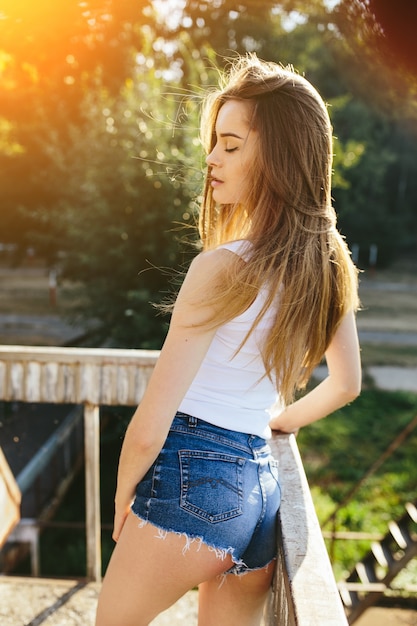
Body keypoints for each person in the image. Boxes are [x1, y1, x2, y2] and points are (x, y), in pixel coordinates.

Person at [95, 54, 361, 626]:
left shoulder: (219, 268)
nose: (212, 158)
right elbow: (346, 385)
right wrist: (279, 422)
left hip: (191, 476)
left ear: (280, 157)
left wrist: (121, 502)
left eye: (232, 145)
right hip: (261, 495)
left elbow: (150, 425)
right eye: (215, 143)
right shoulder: (329, 262)